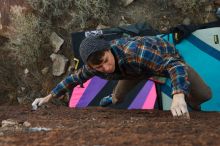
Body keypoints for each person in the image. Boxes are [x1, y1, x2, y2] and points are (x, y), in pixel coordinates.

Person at [32, 35, 212, 118]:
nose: (106, 68)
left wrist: (178, 95)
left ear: (108, 49)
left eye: (105, 61)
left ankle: (192, 103)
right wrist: (48, 97)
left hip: (165, 61)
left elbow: (174, 65)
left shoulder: (134, 52)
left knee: (204, 95)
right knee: (118, 99)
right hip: (133, 72)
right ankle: (113, 97)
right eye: (99, 67)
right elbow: (73, 79)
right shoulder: (95, 66)